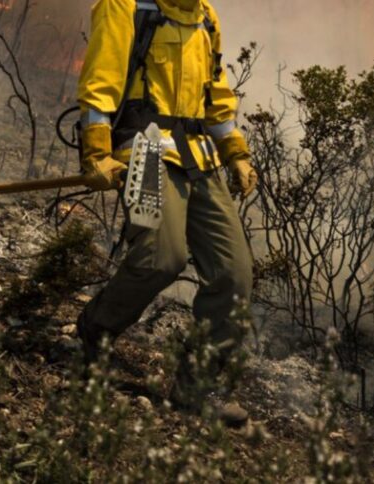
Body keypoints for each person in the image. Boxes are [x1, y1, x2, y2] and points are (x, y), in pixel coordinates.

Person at [76, 0, 258, 424]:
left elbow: (216, 95)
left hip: (199, 157)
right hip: (146, 150)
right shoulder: (124, 5)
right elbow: (101, 80)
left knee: (235, 273)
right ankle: (96, 330)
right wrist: (97, 151)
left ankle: (198, 385)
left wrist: (236, 153)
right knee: (160, 257)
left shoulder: (205, 16)